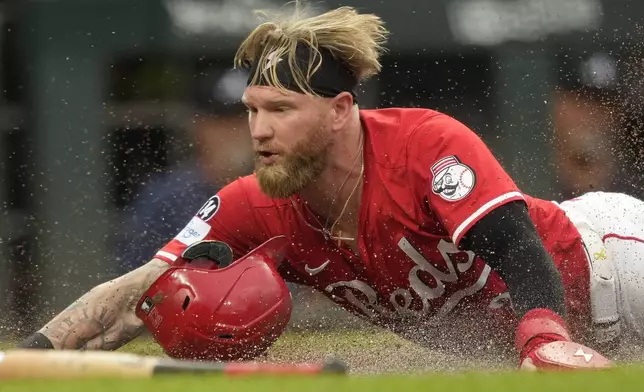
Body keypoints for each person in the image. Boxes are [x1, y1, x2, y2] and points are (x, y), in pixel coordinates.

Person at [17, 4, 643, 371]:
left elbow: (517, 246)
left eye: (282, 109)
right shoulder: (252, 203)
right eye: (254, 110)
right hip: (527, 349)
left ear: (340, 109)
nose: (259, 130)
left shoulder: (422, 142)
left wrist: (544, 338)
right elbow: (131, 298)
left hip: (608, 261)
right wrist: (28, 358)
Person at [110, 66, 254, 274]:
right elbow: (131, 282)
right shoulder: (166, 198)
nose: (235, 133)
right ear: (199, 127)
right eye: (222, 121)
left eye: (243, 120)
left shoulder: (289, 190)